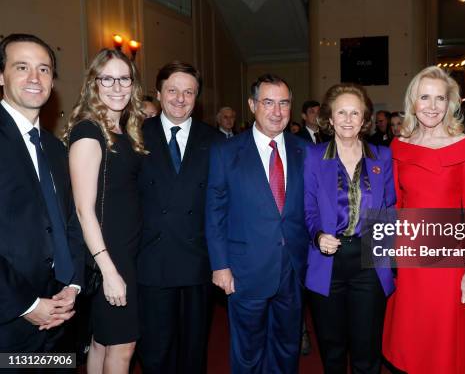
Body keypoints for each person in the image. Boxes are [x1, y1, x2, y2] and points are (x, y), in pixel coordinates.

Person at [206, 74, 309, 373]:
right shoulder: (226, 152)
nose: (277, 111)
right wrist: (220, 265)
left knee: (287, 346)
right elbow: (215, 212)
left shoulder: (305, 150)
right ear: (252, 105)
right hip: (244, 270)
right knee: (247, 351)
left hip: (293, 269)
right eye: (268, 103)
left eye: (284, 103)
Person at [382, 66, 465, 374]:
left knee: (443, 341)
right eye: (425, 97)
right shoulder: (398, 146)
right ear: (413, 101)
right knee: (411, 337)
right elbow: (395, 205)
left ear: (451, 103)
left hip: (448, 261)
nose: (432, 106)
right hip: (409, 258)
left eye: (440, 98)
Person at [0, 33, 84, 354]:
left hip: (61, 313)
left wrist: (73, 284)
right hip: (10, 317)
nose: (35, 78)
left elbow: (69, 220)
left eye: (44, 69)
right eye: (22, 67)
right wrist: (26, 304)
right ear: (1, 75)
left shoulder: (54, 146)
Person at [304, 83, 395, 373]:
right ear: (329, 118)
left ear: (364, 119)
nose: (347, 119)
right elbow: (307, 208)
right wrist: (318, 235)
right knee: (332, 351)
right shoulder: (313, 157)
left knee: (367, 351)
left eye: (354, 112)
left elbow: (391, 208)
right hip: (327, 260)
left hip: (369, 260)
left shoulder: (383, 156)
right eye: (341, 112)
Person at [65, 48, 146, 373]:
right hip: (109, 256)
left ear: (133, 83)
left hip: (124, 251)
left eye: (124, 78)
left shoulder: (123, 129)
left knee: (103, 341)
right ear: (93, 84)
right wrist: (109, 271)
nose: (117, 86)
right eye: (107, 79)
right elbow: (84, 210)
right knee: (123, 347)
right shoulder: (88, 131)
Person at [137, 61, 219, 374]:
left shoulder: (214, 142)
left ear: (197, 98)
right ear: (159, 94)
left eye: (189, 92)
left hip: (197, 262)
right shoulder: (136, 136)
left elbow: (222, 206)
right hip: (151, 261)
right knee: (156, 352)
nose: (180, 98)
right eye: (173, 90)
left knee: (193, 351)